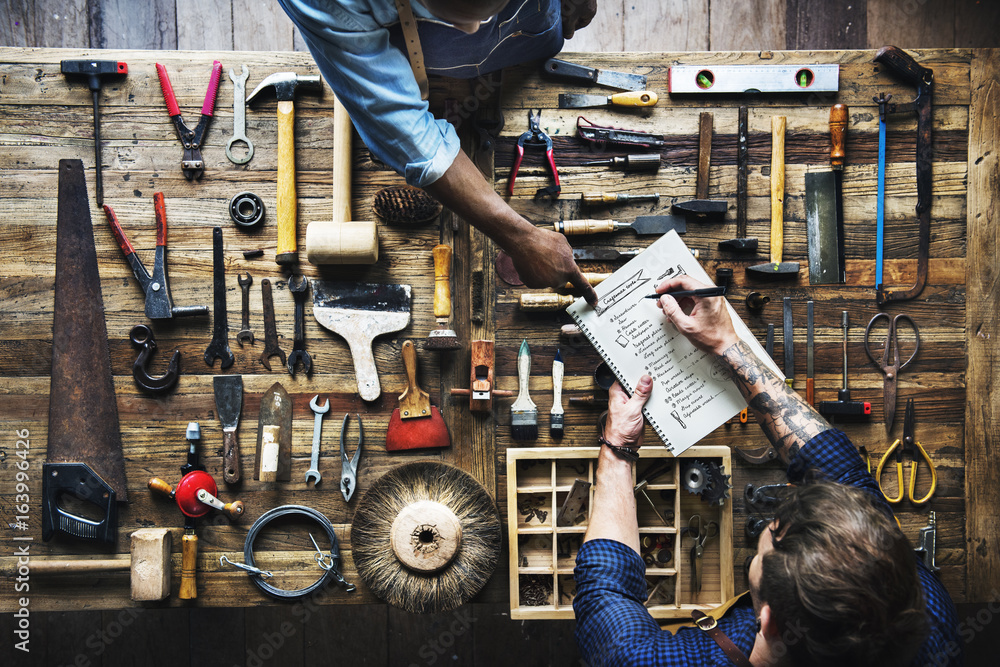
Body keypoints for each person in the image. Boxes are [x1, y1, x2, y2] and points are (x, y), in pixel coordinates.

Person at [573, 274, 962, 666]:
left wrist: (619, 446)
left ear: (770, 623)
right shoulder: (925, 611)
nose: (772, 523)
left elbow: (605, 595)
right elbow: (839, 468)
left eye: (771, 534)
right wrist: (727, 344)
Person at [277, 0, 599, 304]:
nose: (473, 30)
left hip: (532, 23)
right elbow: (408, 133)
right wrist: (520, 237)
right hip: (418, 49)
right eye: (452, 10)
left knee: (545, 24)